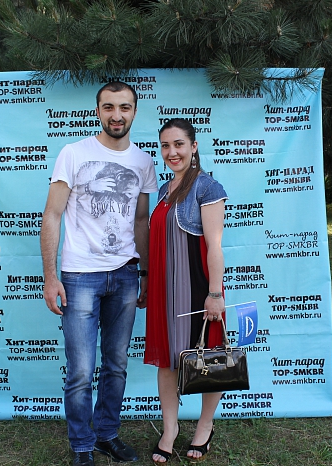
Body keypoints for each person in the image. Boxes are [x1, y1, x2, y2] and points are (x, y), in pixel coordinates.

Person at [41, 81, 158, 466]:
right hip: (80, 277)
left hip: (125, 275)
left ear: (134, 111)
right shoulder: (74, 154)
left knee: (116, 364)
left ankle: (107, 435)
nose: (116, 115)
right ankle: (81, 446)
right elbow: (52, 215)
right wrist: (50, 276)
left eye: (124, 107)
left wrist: (144, 273)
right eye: (109, 107)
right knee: (79, 370)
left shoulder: (143, 162)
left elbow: (140, 221)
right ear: (98, 111)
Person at [144, 118, 228, 464]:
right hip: (165, 289)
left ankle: (205, 427)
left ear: (194, 147)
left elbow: (215, 246)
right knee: (167, 361)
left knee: (210, 359)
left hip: (197, 287)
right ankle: (170, 429)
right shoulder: (165, 189)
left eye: (179, 144)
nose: (171, 152)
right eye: (165, 146)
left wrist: (214, 294)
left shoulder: (207, 187)